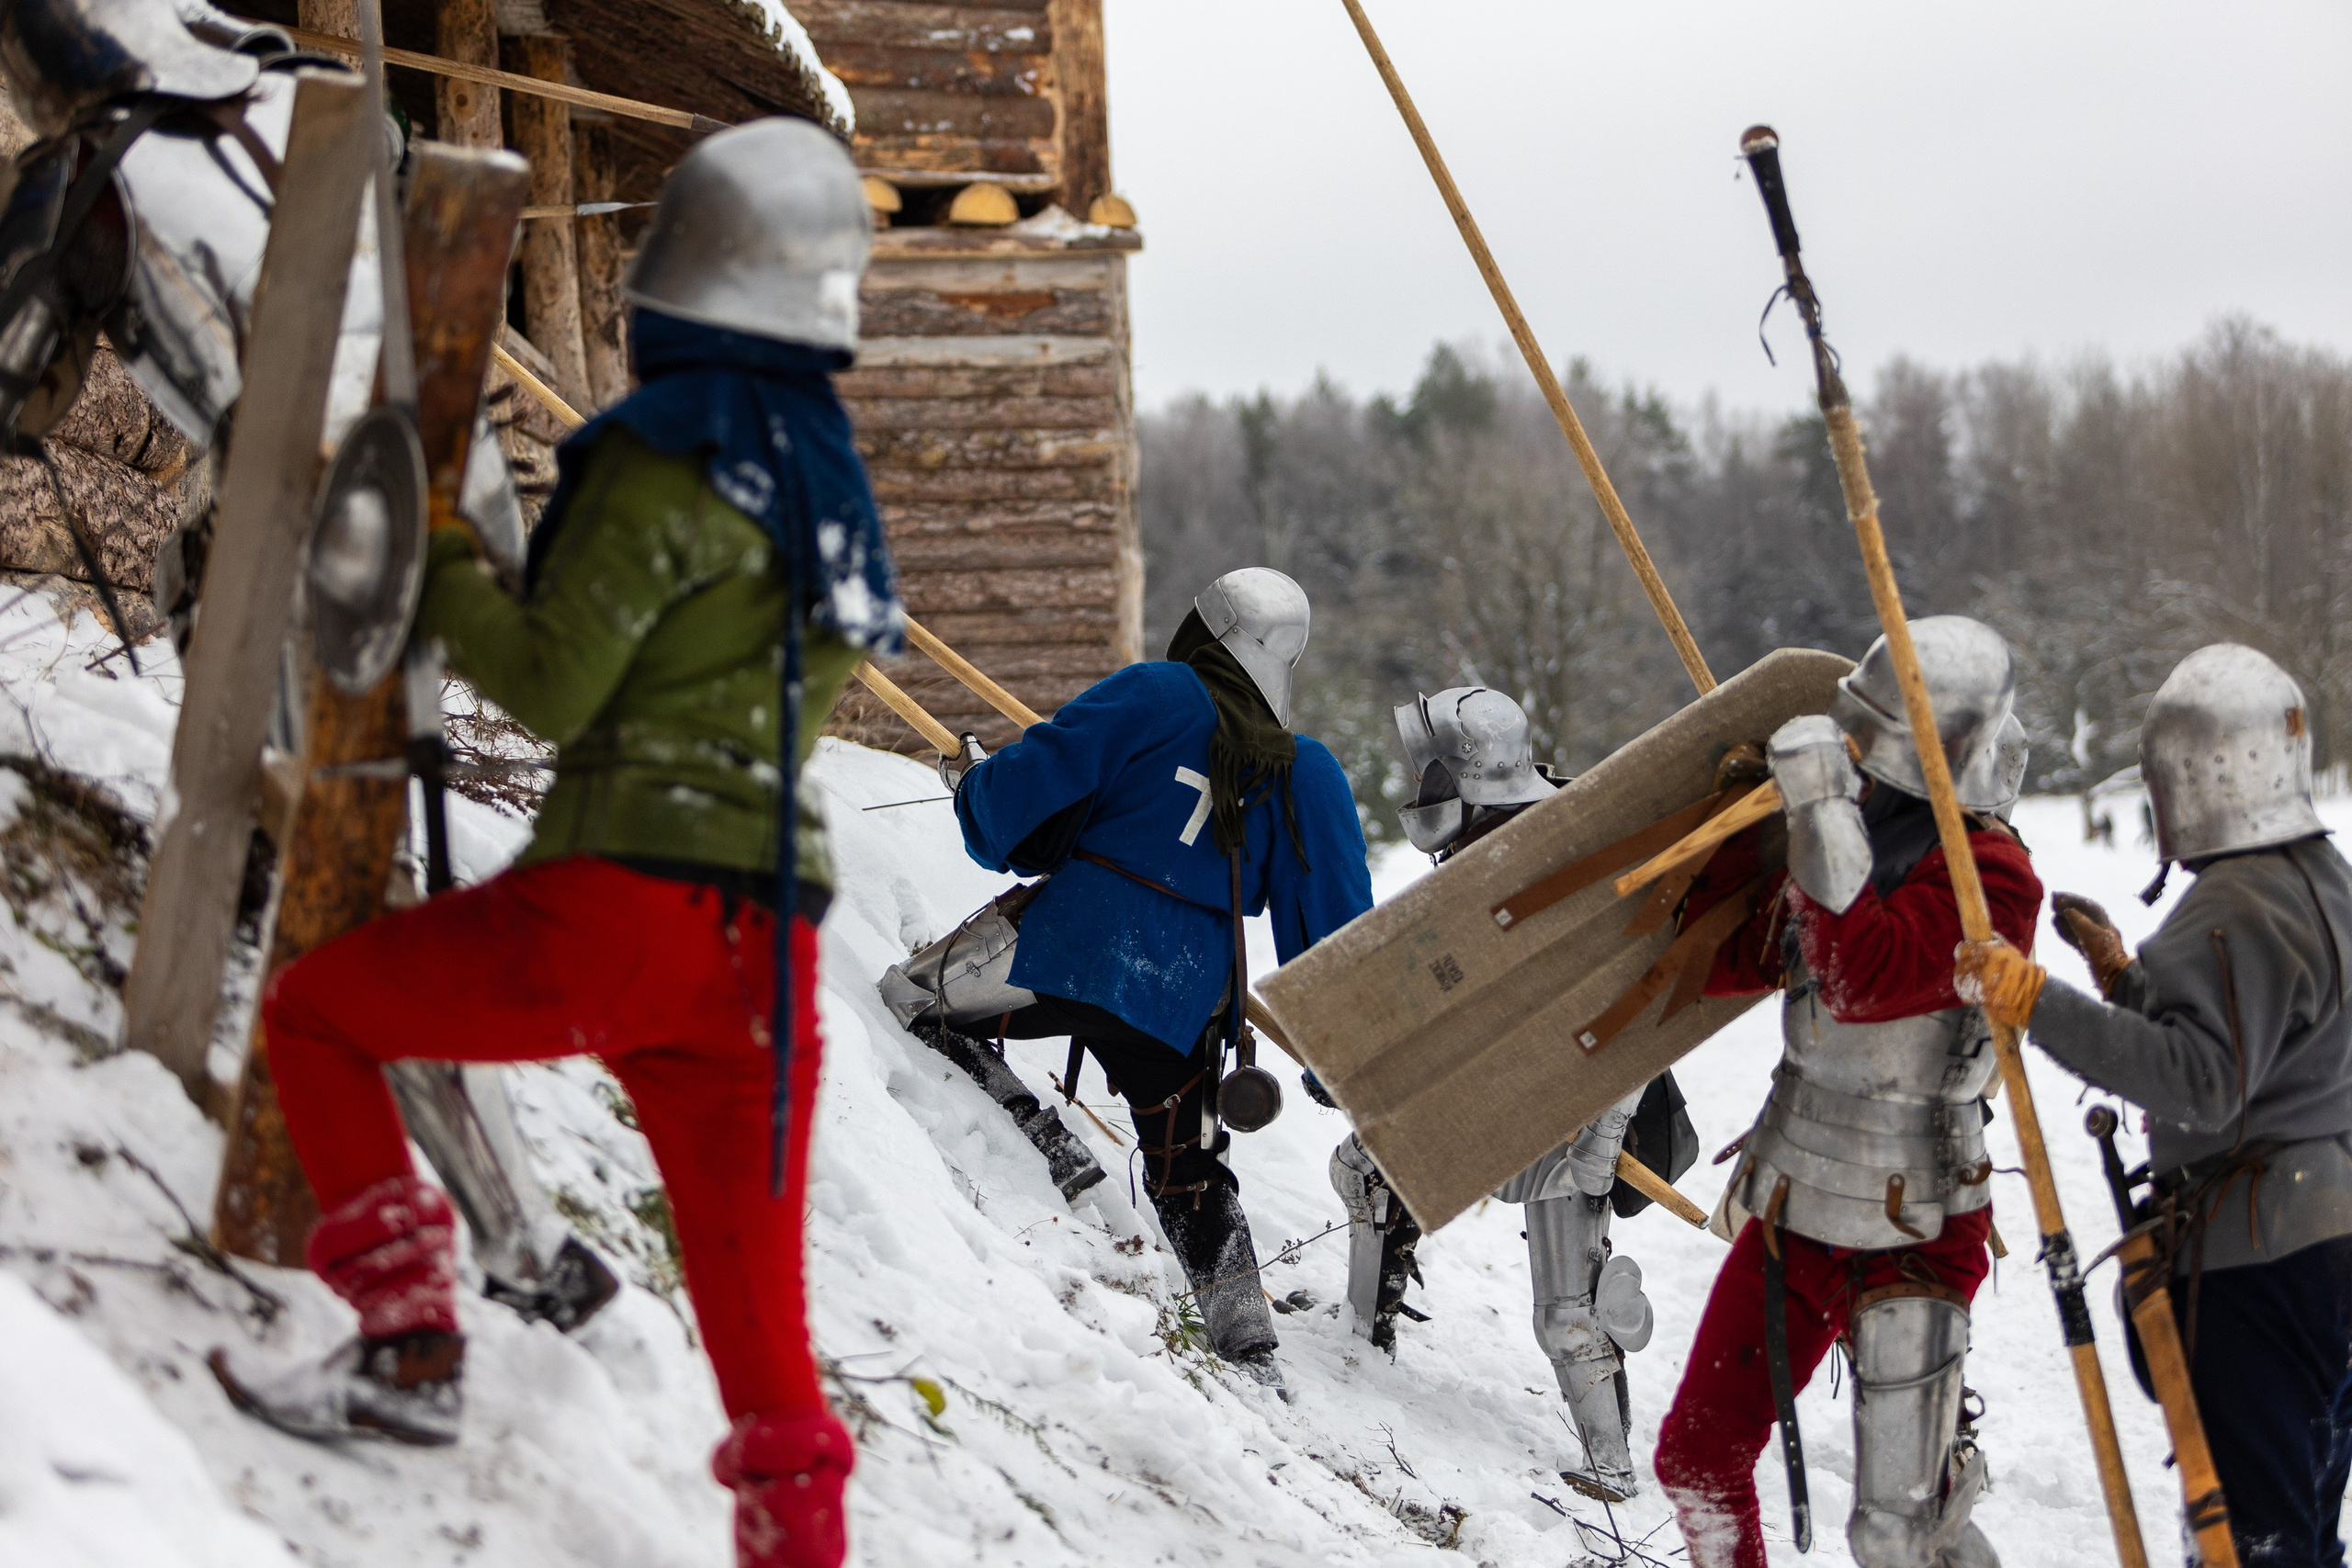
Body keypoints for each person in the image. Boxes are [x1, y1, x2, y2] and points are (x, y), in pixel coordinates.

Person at [208, 118, 896, 1568]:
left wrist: (441, 561)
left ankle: (406, 1349)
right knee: (759, 1322)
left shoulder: (672, 457)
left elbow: (555, 682)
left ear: (678, 274)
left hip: (622, 906)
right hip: (767, 944)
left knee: (319, 1008)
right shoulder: (832, 494)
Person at [927, 568, 1373, 1391]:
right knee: (1191, 1168)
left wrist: (973, 786)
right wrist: (1336, 1058)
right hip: (1183, 997)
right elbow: (1336, 938)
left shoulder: (1156, 692)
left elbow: (1019, 806)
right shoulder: (1303, 769)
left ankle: (1042, 1140)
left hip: (1064, 946)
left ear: (1208, 629)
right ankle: (1249, 1343)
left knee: (920, 1003)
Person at [1958, 643, 2352, 1568]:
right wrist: (2128, 984)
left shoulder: (2237, 903)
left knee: (2252, 1545)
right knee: (2297, 1525)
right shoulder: (2319, 879)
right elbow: (2265, 1046)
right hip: (2324, 1242)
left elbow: (2199, 1083)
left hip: (2263, 1261)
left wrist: (2034, 1000)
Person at [1656, 616, 2037, 1568]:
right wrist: (1748, 829)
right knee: (1697, 1457)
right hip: (1802, 1194)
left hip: (1918, 1218)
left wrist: (1823, 808)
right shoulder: (1849, 832)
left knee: (1895, 1532)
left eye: (1869, 736)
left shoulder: (1994, 875)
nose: (1855, 753)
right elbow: (1732, 963)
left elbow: (1864, 981)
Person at [1327, 684, 1694, 1501]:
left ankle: (1612, 1466)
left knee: (1567, 1310)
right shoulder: (1481, 846)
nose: (1419, 787)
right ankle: (1361, 1337)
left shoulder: (1575, 850)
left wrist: (1600, 1143)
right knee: (1366, 1170)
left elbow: (1644, 1001)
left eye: (1431, 769)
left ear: (1470, 770)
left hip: (1584, 1100)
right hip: (1496, 1082)